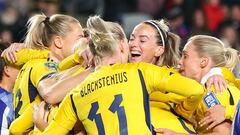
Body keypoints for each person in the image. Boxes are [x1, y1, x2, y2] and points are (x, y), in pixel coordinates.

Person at [41, 15, 205, 135]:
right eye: (131, 38)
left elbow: (204, 91)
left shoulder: (170, 75)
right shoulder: (133, 72)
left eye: (142, 40)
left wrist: (217, 73)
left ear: (159, 50)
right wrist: (83, 59)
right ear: (121, 45)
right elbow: (49, 89)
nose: (133, 43)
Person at [4, 13, 85, 134]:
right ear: (58, 42)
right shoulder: (46, 66)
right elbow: (50, 93)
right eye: (80, 38)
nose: (84, 42)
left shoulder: (33, 62)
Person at [156, 35, 240, 134]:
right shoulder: (202, 89)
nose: (179, 61)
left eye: (185, 56)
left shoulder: (214, 89)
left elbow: (223, 133)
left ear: (203, 62)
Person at [0, 44, 19, 135]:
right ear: (7, 69)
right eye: (20, 64)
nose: (23, 68)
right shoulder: (2, 103)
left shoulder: (14, 95)